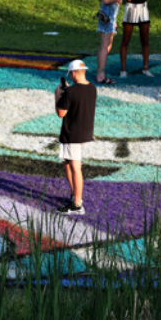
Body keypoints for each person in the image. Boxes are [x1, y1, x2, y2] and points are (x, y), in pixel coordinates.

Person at [54, 60, 97, 215]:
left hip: (72, 133)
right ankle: (74, 194)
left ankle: (77, 204)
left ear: (72, 74)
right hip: (83, 131)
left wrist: (58, 95)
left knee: (75, 168)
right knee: (67, 162)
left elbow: (61, 113)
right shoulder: (92, 88)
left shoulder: (70, 92)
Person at [119, 0, 153, 78]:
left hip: (143, 8)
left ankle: (146, 68)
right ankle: (123, 70)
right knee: (125, 40)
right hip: (131, 9)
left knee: (145, 40)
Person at [96, 0, 122, 85]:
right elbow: (106, 0)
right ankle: (100, 75)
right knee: (105, 46)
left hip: (110, 17)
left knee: (107, 45)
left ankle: (101, 73)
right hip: (107, 16)